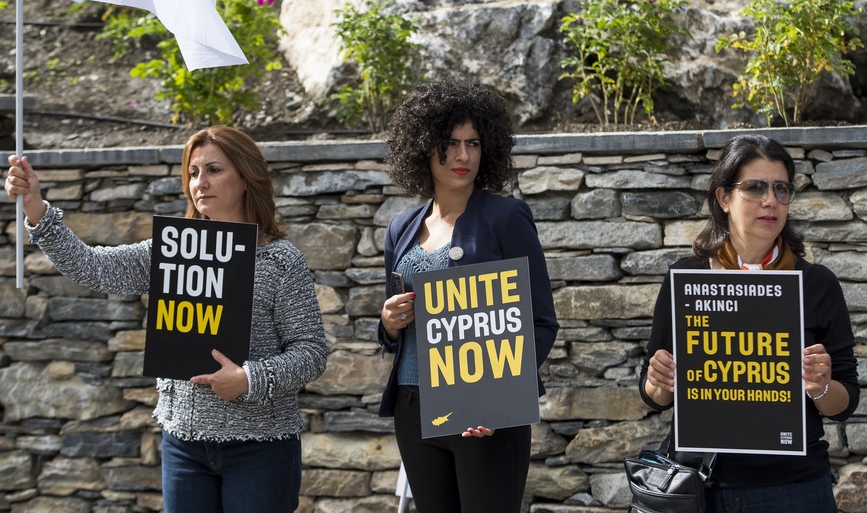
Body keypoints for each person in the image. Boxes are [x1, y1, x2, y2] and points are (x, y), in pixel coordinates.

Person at [5, 126, 328, 513]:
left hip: (260, 449)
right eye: (193, 172)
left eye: (214, 170)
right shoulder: (173, 250)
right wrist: (37, 210)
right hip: (183, 448)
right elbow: (93, 268)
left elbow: (311, 352)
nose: (200, 183)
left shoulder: (280, 260)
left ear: (246, 177)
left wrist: (248, 378)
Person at [640, 134, 859, 512]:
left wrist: (820, 386)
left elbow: (844, 403)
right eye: (755, 187)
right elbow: (654, 395)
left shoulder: (816, 284)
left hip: (793, 490)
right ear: (724, 198)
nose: (770, 200)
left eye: (781, 189)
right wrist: (659, 381)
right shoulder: (686, 279)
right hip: (701, 487)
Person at [377, 78, 559, 513]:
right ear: (423, 148)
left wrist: (496, 401)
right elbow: (393, 333)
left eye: (473, 143)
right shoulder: (401, 229)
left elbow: (541, 322)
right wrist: (388, 323)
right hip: (413, 408)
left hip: (483, 415)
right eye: (451, 144)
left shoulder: (506, 217)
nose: (463, 156)